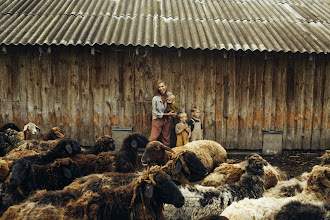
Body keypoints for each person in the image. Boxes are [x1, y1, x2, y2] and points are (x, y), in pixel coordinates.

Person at [148, 80, 177, 147]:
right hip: (157, 120)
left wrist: (173, 112)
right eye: (159, 87)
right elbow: (154, 112)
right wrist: (167, 114)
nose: (161, 88)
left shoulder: (170, 95)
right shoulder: (155, 98)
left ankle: (166, 155)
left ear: (166, 86)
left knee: (166, 138)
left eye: (162, 86)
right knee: (153, 138)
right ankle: (148, 152)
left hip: (167, 120)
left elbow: (174, 106)